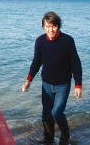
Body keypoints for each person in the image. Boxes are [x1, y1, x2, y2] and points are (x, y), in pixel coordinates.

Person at [22, 11, 82, 144]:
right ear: (43, 26)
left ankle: (65, 136)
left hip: (63, 85)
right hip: (46, 85)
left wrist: (78, 85)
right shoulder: (40, 41)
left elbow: (75, 63)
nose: (51, 29)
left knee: (57, 112)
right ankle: (48, 139)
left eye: (54, 26)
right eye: (47, 26)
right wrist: (28, 80)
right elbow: (37, 62)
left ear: (58, 26)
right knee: (46, 115)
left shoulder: (68, 40)